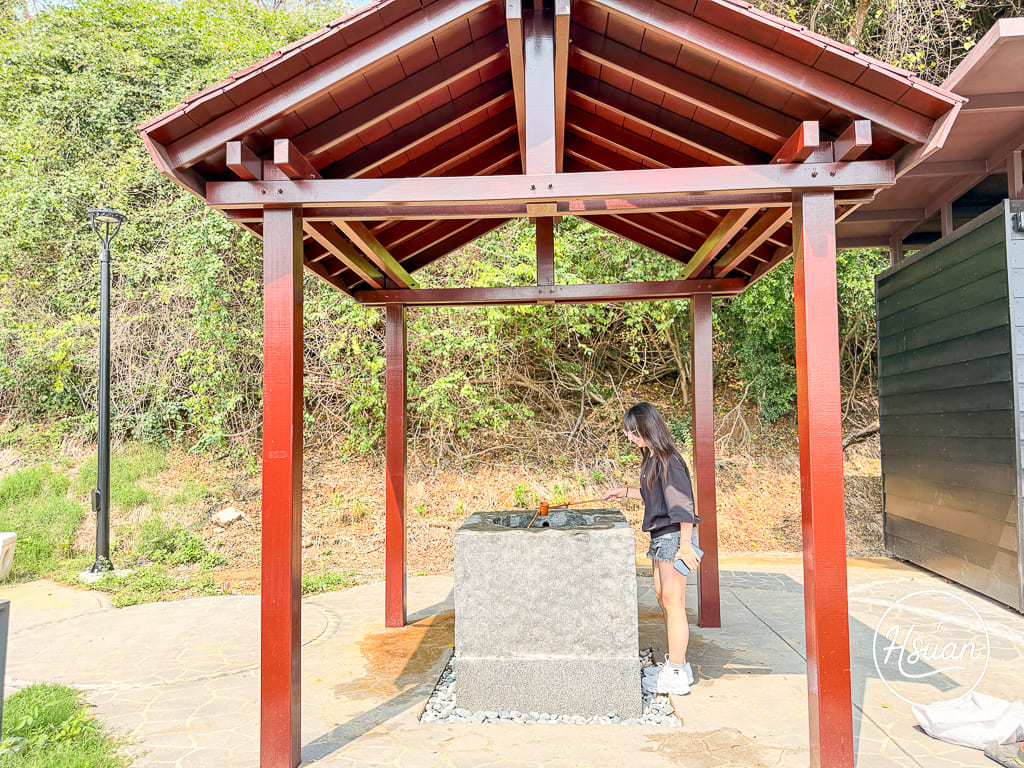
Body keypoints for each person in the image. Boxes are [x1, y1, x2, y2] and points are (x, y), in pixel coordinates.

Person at [603, 402, 701, 696]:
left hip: (674, 538)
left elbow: (684, 506)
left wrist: (685, 547)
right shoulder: (653, 459)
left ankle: (675, 672)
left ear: (648, 428)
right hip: (661, 536)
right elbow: (652, 495)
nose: (631, 439)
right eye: (628, 434)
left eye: (634, 433)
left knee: (674, 603)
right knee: (663, 598)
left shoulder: (670, 460)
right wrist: (624, 492)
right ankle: (678, 666)